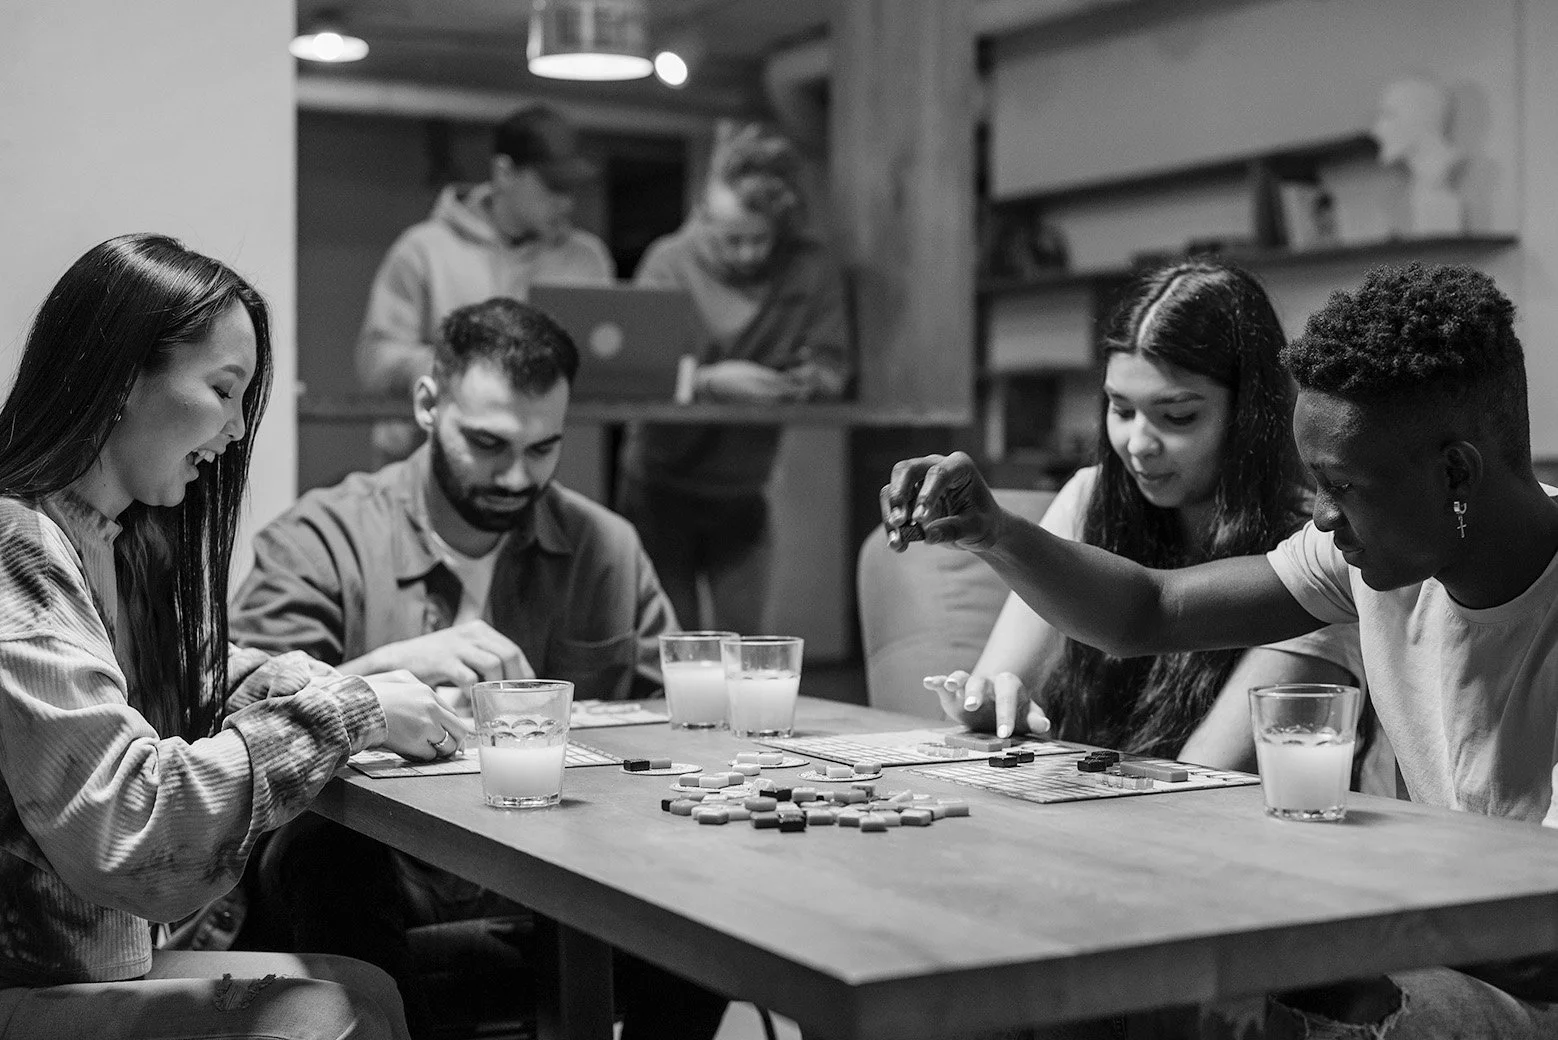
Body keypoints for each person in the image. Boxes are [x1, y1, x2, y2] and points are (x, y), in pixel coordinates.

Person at [884, 261, 1558, 1038]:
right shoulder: (1369, 558)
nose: (1324, 519)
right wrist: (996, 532)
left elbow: (1537, 941)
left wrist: (1332, 901)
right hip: (1442, 948)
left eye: (1343, 487)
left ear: (1456, 474)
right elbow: (1151, 609)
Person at [0, 233, 466, 1039]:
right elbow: (130, 824)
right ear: (120, 379)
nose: (241, 426)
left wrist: (344, 691)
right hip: (27, 979)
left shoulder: (118, 539)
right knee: (336, 1013)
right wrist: (351, 709)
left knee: (371, 991)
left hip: (113, 961)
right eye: (225, 388)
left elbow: (207, 676)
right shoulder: (16, 545)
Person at [231, 297, 723, 1040]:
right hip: (387, 875)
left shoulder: (606, 548)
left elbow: (678, 720)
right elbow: (235, 719)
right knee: (324, 851)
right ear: (429, 403)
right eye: (489, 444)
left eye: (544, 449)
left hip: (565, 876)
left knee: (714, 889)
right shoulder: (320, 538)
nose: (518, 477)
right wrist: (380, 674)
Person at [925, 261, 1363, 772]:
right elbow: (1000, 684)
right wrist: (989, 706)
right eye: (1121, 408)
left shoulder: (1320, 545)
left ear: (1249, 413)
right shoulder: (1090, 495)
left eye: (1177, 416)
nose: (1137, 444)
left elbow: (1205, 779)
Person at [615, 123, 852, 633]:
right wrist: (708, 381)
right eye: (732, 240)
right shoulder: (668, 262)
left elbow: (835, 365)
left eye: (759, 239)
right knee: (666, 648)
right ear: (704, 217)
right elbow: (631, 375)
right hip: (658, 484)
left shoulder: (810, 268)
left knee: (744, 650)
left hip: (744, 488)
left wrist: (801, 384)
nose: (747, 254)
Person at [357, 104, 614, 463]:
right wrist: (466, 369)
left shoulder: (587, 258)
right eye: (552, 186)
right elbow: (376, 364)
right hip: (431, 470)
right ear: (504, 172)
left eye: (572, 188)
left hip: (547, 475)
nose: (566, 202)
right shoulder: (423, 250)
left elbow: (611, 366)